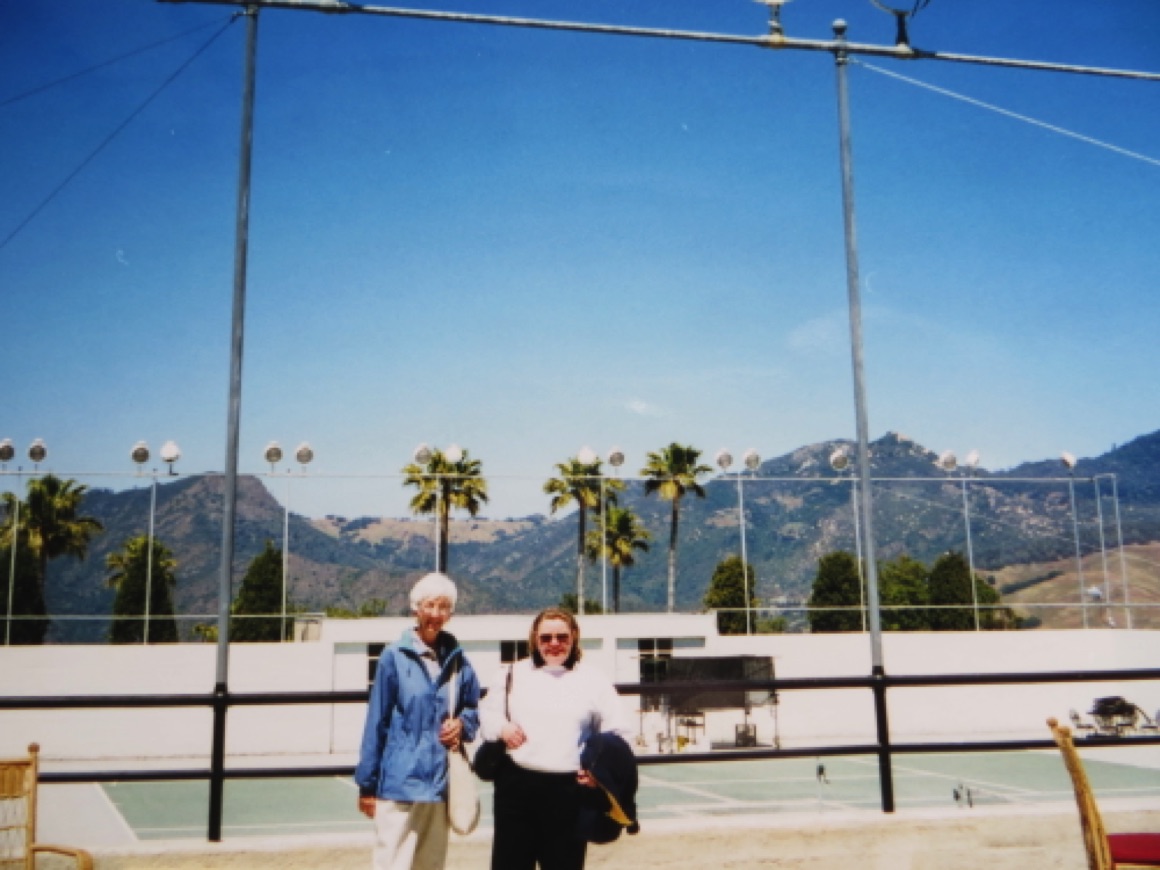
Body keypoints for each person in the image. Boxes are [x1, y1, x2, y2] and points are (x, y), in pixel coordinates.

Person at [480, 607, 633, 870]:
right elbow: (487, 714)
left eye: (562, 637)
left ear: (574, 636)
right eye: (546, 637)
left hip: (569, 793)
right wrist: (503, 729)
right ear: (534, 638)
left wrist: (598, 773)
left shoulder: (594, 680)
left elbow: (618, 731)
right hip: (516, 788)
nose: (554, 644)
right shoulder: (511, 674)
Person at [355, 572, 480, 870]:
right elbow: (377, 722)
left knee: (431, 865)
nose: (436, 614)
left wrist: (462, 724)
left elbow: (474, 709)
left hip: (438, 784)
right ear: (416, 608)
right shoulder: (393, 656)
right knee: (392, 863)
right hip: (399, 784)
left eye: (444, 607)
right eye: (430, 605)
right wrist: (367, 785)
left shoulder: (458, 660)